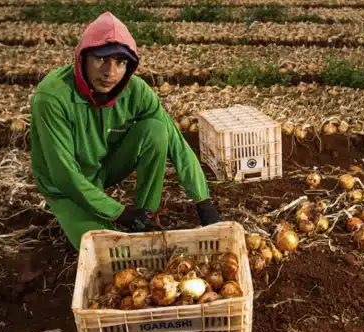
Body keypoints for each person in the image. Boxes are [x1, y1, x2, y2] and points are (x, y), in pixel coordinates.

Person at [29, 11, 221, 250]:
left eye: (120, 62)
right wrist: (119, 213)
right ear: (83, 58)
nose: (110, 72)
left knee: (156, 129)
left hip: (102, 168)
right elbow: (65, 175)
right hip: (65, 186)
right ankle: (121, 218)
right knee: (108, 249)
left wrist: (203, 202)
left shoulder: (136, 91)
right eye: (101, 59)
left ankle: (146, 215)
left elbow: (176, 143)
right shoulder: (52, 97)